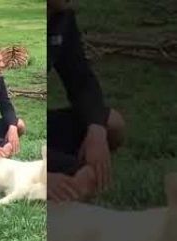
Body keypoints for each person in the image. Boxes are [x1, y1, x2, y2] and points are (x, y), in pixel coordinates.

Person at [47, 0, 126, 201]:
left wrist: (96, 129)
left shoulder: (62, 19)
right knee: (85, 179)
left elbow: (81, 81)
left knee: (112, 124)